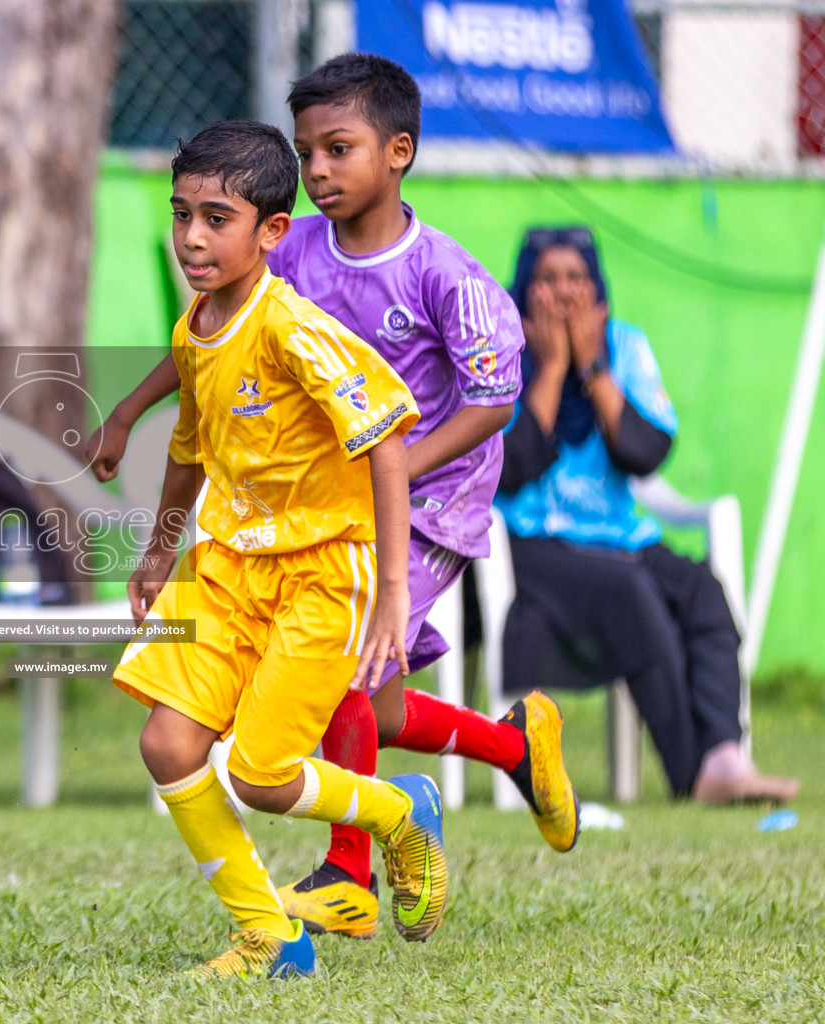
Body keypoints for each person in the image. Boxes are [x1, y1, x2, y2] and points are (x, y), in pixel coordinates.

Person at [89, 54, 579, 942]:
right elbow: (208, 347)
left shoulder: (448, 276)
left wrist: (384, 481)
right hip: (323, 503)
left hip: (427, 498)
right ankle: (514, 746)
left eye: (338, 150)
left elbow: (493, 400)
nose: (318, 171)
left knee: (344, 676)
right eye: (307, 152)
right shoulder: (293, 246)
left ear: (398, 152)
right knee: (371, 703)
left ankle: (350, 873)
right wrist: (131, 411)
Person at [114, 119, 447, 980]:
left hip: (322, 573)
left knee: (262, 774)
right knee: (170, 746)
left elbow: (384, 439)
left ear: (271, 232)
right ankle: (270, 937)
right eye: (181, 213)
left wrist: (393, 599)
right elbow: (191, 445)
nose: (191, 237)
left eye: (215, 218)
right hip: (227, 567)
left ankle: (395, 812)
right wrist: (158, 553)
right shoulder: (197, 328)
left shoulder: (292, 327)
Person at [497, 226, 798, 805]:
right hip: (534, 543)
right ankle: (694, 776)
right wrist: (554, 369)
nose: (563, 293)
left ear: (599, 291)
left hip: (619, 534)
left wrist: (592, 366)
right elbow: (509, 467)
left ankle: (725, 756)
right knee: (633, 593)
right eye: (548, 280)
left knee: (702, 590)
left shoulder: (624, 346)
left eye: (577, 279)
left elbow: (644, 450)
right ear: (523, 292)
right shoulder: (503, 352)